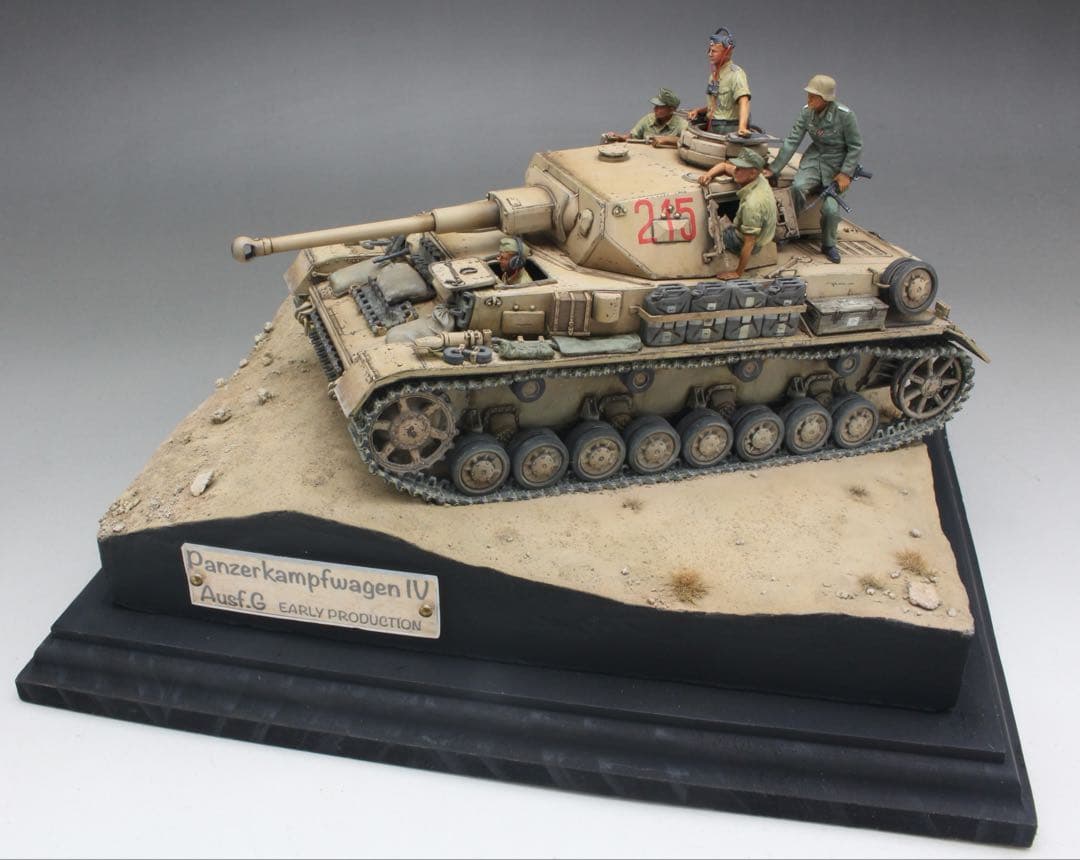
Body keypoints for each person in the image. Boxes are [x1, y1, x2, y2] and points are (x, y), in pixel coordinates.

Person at [766, 74, 863, 264]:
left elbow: (855, 146)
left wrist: (845, 173)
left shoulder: (845, 116)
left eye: (814, 96)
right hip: (814, 159)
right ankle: (788, 231)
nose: (809, 99)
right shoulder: (807, 112)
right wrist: (774, 168)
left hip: (836, 166)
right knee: (797, 188)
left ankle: (829, 244)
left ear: (825, 98)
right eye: (809, 95)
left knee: (831, 210)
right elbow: (792, 141)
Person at [707, 148, 777, 280]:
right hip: (760, 230)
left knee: (712, 228)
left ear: (752, 173)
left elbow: (749, 243)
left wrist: (737, 272)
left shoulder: (752, 204)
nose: (735, 171)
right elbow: (724, 166)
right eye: (737, 167)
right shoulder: (758, 177)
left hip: (751, 243)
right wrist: (708, 175)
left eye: (740, 168)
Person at [686, 27, 751, 137]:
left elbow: (744, 101)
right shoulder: (714, 76)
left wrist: (742, 127)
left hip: (728, 128)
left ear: (727, 52)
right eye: (709, 50)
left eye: (714, 51)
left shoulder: (736, 74)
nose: (710, 54)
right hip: (713, 126)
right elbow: (717, 105)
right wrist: (698, 111)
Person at [604, 88, 689, 143]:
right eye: (655, 106)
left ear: (671, 109)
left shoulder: (681, 124)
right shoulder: (648, 119)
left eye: (660, 107)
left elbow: (689, 142)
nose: (655, 109)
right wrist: (617, 137)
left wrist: (667, 140)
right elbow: (631, 137)